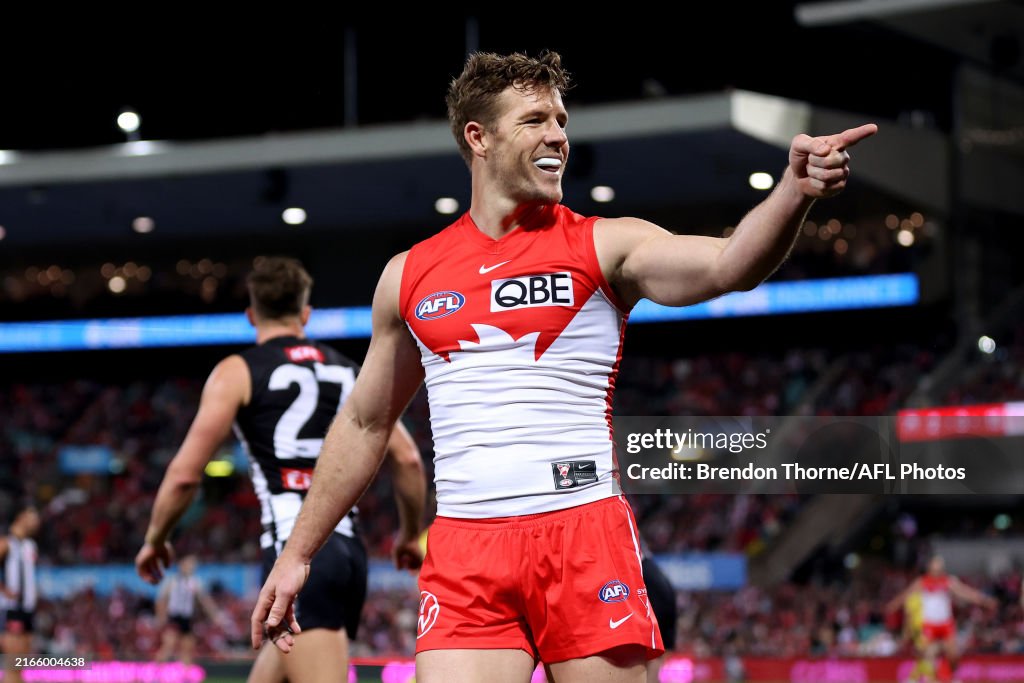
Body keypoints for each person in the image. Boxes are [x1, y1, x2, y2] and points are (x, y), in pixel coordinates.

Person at [251, 50, 876, 683]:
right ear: (479, 137)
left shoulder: (605, 244)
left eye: (561, 120)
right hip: (466, 547)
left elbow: (727, 265)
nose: (558, 136)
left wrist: (793, 191)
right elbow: (364, 422)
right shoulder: (408, 275)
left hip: (583, 534)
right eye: (535, 120)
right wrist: (297, 554)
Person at [136, 256, 426, 683]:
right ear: (305, 314)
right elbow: (408, 459)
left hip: (297, 551)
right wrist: (408, 534)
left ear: (251, 315)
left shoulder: (237, 372)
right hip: (347, 552)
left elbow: (184, 476)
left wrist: (155, 539)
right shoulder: (349, 371)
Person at [885, 555, 997, 683]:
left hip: (946, 625)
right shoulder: (922, 582)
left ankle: (951, 677)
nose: (937, 569)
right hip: (929, 625)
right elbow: (906, 594)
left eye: (940, 567)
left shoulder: (948, 581)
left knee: (953, 655)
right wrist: (893, 605)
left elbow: (966, 593)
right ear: (929, 568)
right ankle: (918, 678)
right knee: (926, 654)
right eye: (935, 566)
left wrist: (985, 600)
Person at [154, 555, 225, 666]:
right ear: (181, 565)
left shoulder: (195, 582)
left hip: (187, 618)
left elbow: (205, 600)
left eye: (193, 565)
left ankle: (185, 674)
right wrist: (161, 617)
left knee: (187, 649)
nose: (191, 567)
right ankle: (156, 672)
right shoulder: (172, 580)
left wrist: (215, 615)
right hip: (174, 617)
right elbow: (161, 600)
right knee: (168, 646)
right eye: (189, 564)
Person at [0, 505, 40, 683]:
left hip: (28, 609)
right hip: (11, 609)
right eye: (32, 516)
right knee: (13, 663)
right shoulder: (6, 543)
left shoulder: (31, 545)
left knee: (21, 664)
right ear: (20, 517)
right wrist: (4, 590)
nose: (36, 521)